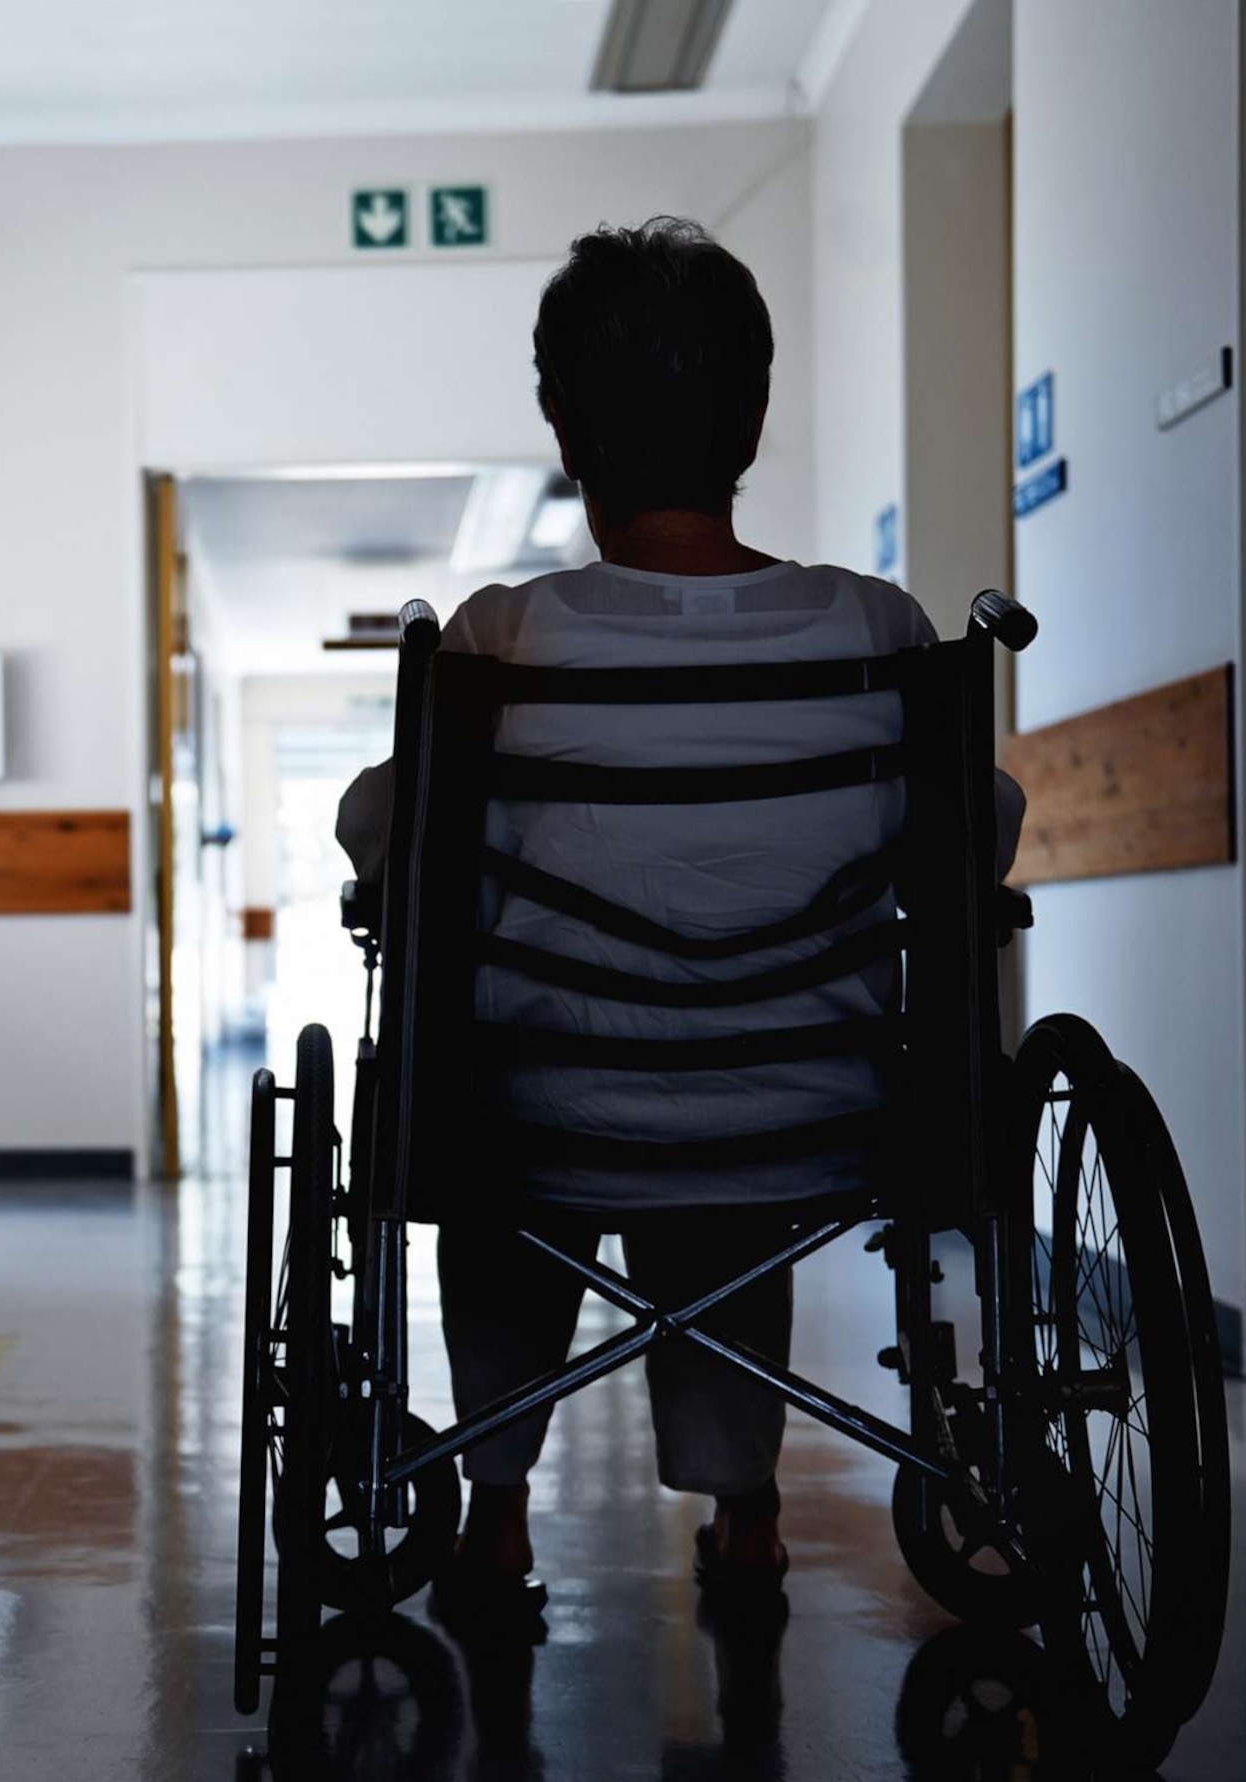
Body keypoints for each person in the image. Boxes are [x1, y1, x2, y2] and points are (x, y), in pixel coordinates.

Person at [335, 216, 1022, 1631]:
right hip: (816, 1113)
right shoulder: (878, 631)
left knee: (498, 1166)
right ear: (755, 418)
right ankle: (749, 1515)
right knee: (726, 1184)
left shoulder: (504, 640)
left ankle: (497, 1511)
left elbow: (381, 833)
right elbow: (984, 837)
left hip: (549, 1113)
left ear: (561, 425)